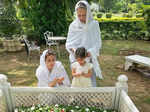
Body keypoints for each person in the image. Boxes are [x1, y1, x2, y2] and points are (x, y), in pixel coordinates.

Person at [66, 0, 103, 87]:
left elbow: (98, 42)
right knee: (77, 78)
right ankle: (76, 97)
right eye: (79, 15)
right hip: (76, 58)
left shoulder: (94, 24)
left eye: (84, 15)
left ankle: (88, 97)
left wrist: (90, 52)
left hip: (89, 58)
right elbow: (69, 43)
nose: (81, 18)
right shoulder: (73, 25)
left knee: (88, 79)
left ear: (88, 13)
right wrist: (75, 51)